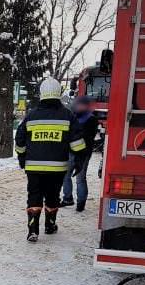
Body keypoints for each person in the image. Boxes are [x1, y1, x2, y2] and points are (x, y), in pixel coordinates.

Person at [14, 78, 87, 242]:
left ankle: (33, 230)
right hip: (57, 168)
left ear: (42, 94)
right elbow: (77, 142)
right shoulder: (67, 115)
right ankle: (50, 225)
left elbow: (19, 138)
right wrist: (79, 161)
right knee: (52, 196)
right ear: (59, 93)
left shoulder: (31, 116)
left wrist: (22, 157)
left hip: (33, 168)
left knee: (34, 196)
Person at [61, 95, 98, 212]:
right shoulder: (74, 117)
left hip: (83, 153)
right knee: (66, 176)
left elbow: (87, 137)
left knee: (80, 178)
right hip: (71, 152)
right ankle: (68, 198)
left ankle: (81, 203)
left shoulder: (90, 119)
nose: (77, 106)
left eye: (80, 104)